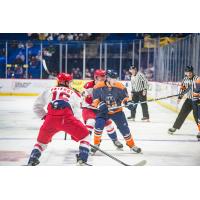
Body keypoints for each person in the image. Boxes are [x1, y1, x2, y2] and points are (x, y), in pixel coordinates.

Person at [27, 73, 91, 166]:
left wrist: (45, 116)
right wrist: (75, 129)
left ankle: (32, 159)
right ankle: (82, 160)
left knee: (41, 143)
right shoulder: (74, 93)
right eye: (69, 82)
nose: (70, 83)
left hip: (50, 119)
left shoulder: (48, 90)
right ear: (65, 82)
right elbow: (77, 113)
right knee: (85, 136)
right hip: (67, 120)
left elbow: (36, 107)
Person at [91, 69, 142, 154]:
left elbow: (125, 98)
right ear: (107, 78)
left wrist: (128, 103)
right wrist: (100, 105)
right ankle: (96, 144)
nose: (115, 81)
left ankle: (132, 145)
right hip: (103, 112)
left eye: (116, 78)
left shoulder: (120, 86)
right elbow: (95, 100)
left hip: (117, 111)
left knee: (125, 129)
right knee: (98, 126)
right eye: (113, 78)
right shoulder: (97, 87)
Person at [81, 69, 123, 151]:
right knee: (91, 122)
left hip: (100, 110)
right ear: (95, 78)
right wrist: (88, 98)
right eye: (101, 78)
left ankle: (115, 140)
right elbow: (84, 99)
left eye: (104, 78)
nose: (103, 80)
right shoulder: (88, 86)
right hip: (89, 109)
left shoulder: (107, 86)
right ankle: (85, 142)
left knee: (109, 125)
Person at [168, 66, 199, 135]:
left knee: (197, 116)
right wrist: (180, 97)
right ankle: (174, 127)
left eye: (190, 72)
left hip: (197, 100)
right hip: (188, 100)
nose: (189, 74)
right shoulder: (185, 79)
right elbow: (183, 89)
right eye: (188, 72)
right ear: (185, 73)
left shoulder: (197, 79)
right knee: (182, 113)